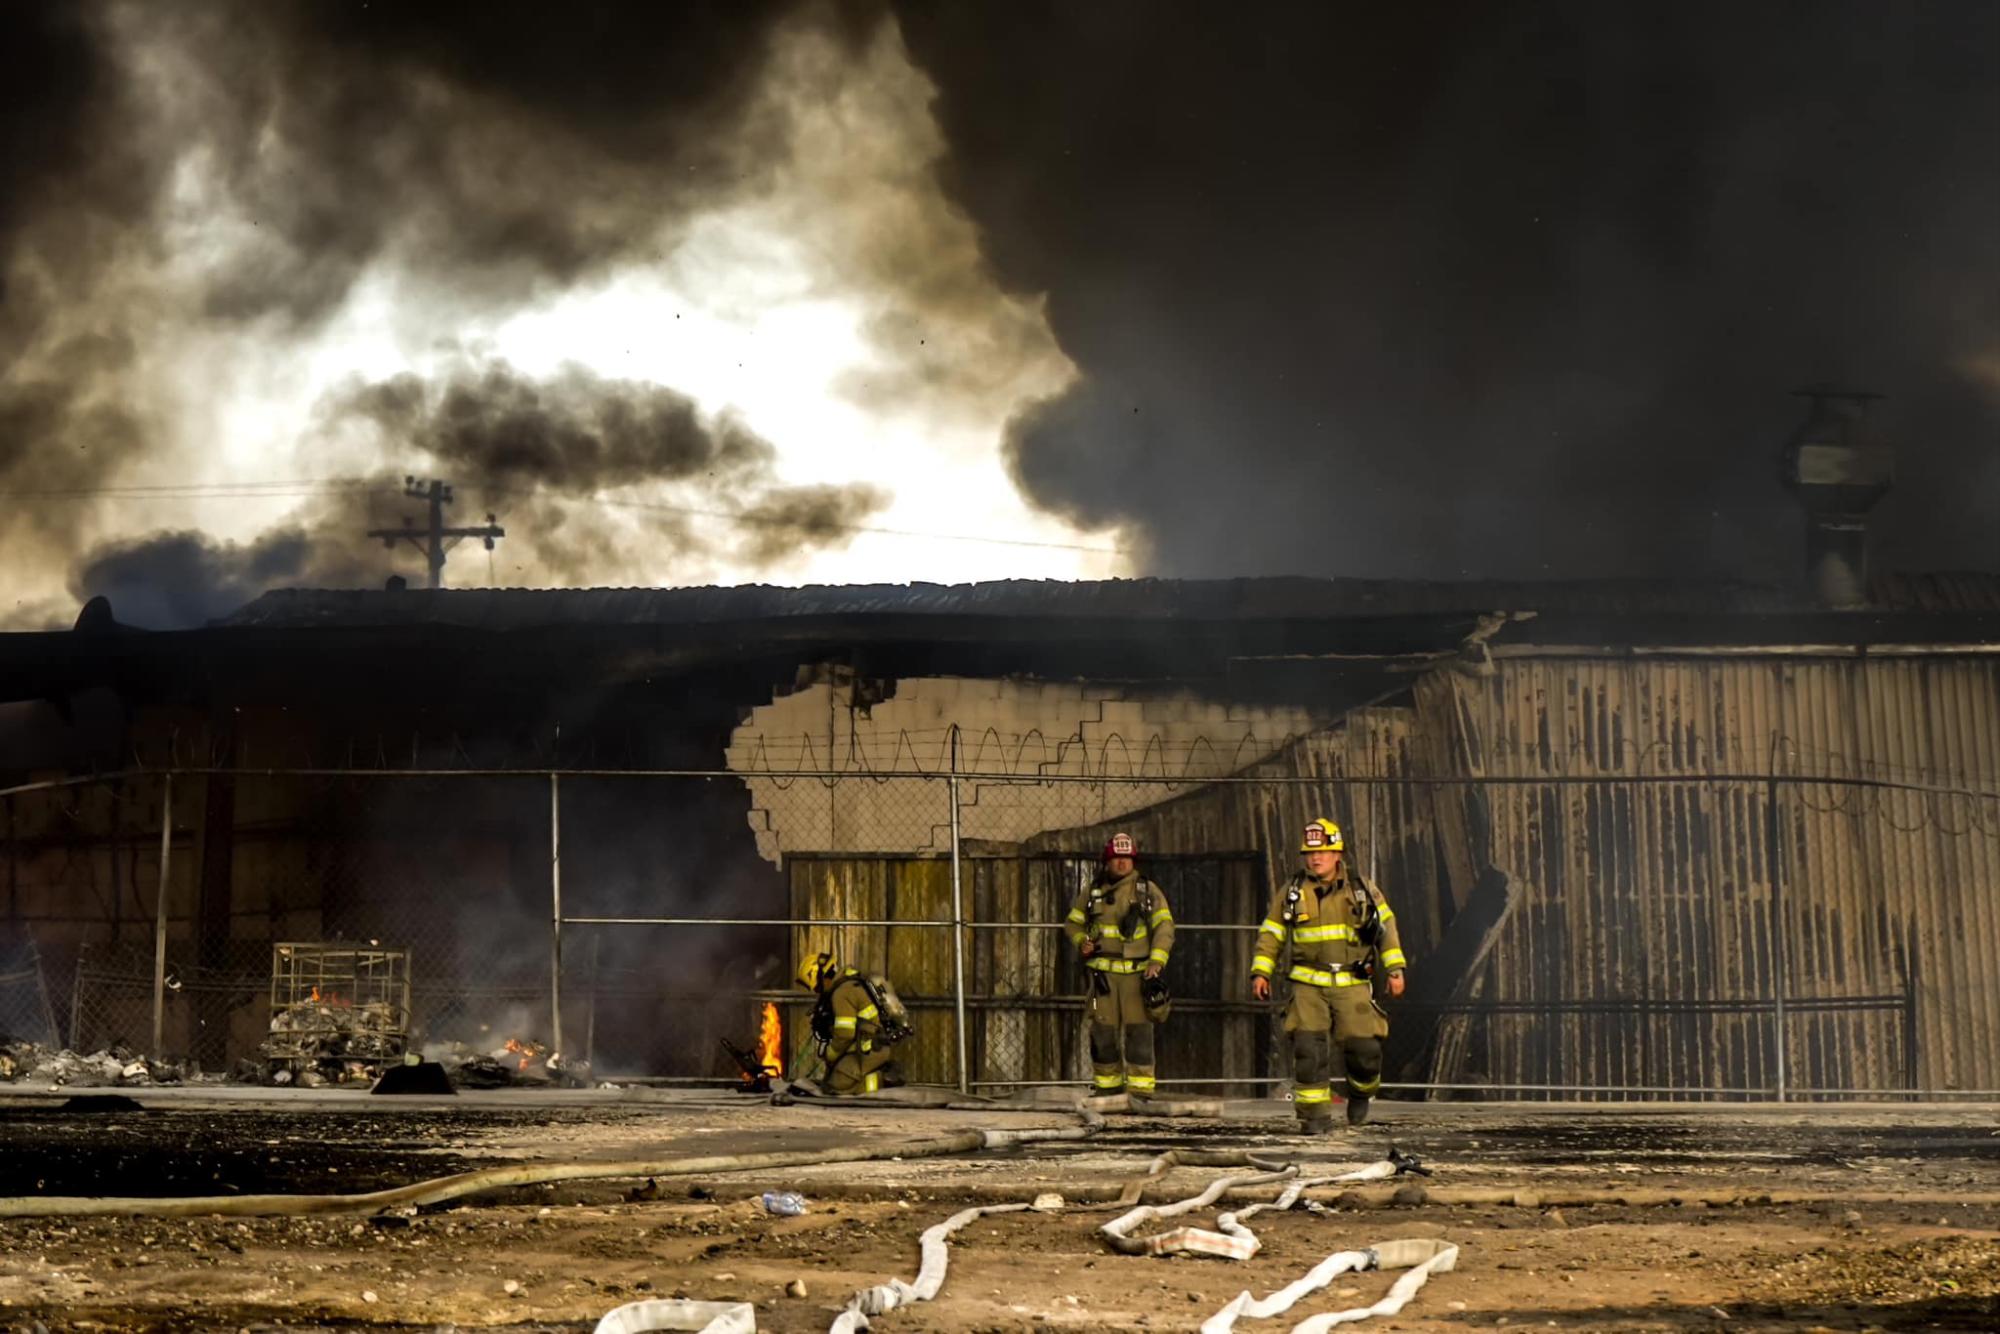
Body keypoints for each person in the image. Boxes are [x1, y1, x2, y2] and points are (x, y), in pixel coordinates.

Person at [1250, 818, 1408, 1130]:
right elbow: (1271, 934)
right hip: (1308, 983)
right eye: (1309, 853)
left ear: (1338, 854)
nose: (1315, 858)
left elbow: (1386, 929)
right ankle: (1314, 1117)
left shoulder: (1361, 889)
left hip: (1352, 982)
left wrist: (1395, 969)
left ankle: (1361, 1094)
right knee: (1308, 1051)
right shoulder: (1292, 892)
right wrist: (1261, 972)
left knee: (1365, 1050)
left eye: (1323, 851)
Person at [1065, 831, 1175, 1097]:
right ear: (1107, 861)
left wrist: (1157, 961)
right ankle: (1108, 1090)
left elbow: (1164, 927)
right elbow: (1072, 924)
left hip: (1137, 978)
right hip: (1102, 981)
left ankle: (1140, 1094)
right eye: (1117, 858)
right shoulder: (1092, 893)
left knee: (1139, 1036)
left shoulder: (1147, 891)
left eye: (1127, 858)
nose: (1122, 863)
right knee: (1102, 1035)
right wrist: (1082, 943)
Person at [795, 952, 910, 1095]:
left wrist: (830, 1054)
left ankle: (881, 1080)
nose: (818, 992)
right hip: (875, 1046)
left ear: (821, 977)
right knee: (831, 1079)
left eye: (817, 988)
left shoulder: (841, 993)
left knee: (835, 1087)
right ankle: (881, 1071)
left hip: (869, 1051)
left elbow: (845, 1034)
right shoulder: (851, 982)